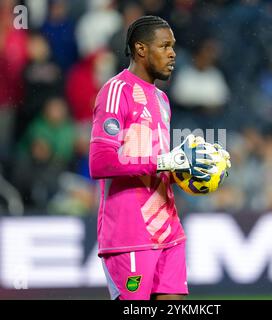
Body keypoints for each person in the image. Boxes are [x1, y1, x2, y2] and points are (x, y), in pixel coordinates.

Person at [88, 15, 223, 300]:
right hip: (129, 233)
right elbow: (100, 163)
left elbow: (155, 164)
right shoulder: (116, 91)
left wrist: (190, 169)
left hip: (168, 229)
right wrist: (164, 162)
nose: (173, 53)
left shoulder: (161, 100)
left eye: (173, 46)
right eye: (164, 46)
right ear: (141, 49)